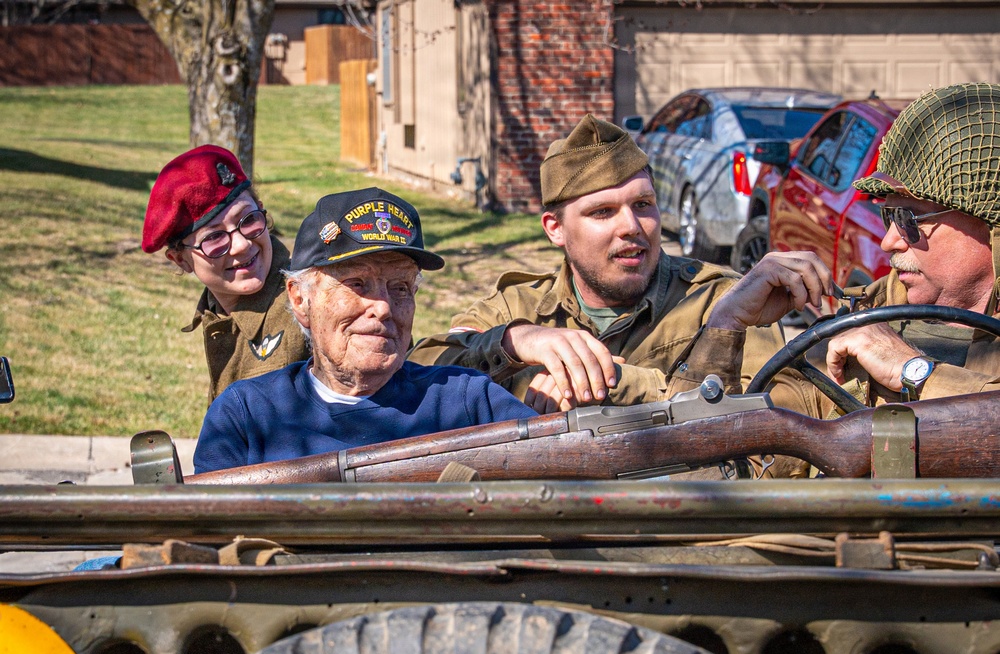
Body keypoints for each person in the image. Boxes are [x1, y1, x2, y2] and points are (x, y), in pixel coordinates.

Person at [407, 114, 828, 478]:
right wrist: (514, 342)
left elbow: (781, 439)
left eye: (643, 204)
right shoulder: (518, 309)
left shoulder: (720, 300)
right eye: (603, 212)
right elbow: (416, 378)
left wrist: (615, 385)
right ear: (555, 228)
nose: (632, 226)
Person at [194, 188, 537, 473]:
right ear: (301, 300)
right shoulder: (246, 415)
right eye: (356, 283)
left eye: (400, 287)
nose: (384, 306)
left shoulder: (469, 403)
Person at [816, 82, 1000, 406]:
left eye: (909, 219)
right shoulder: (872, 314)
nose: (889, 242)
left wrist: (915, 372)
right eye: (889, 217)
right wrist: (728, 325)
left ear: (991, 227)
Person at [142, 145, 308, 402]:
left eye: (249, 220)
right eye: (215, 238)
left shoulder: (309, 302)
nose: (242, 244)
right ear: (180, 259)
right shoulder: (216, 310)